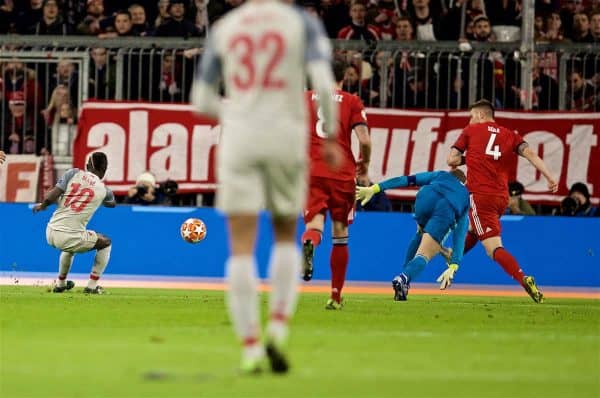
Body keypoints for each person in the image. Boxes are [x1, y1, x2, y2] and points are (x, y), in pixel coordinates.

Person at [190, 0, 339, 374]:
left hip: (240, 137)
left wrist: (239, 114)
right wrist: (332, 135)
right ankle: (277, 327)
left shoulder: (226, 27)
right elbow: (322, 81)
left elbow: (201, 100)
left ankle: (251, 348)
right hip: (285, 135)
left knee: (240, 246)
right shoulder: (301, 22)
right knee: (286, 233)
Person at [446, 99, 558, 303]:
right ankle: (454, 256)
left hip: (481, 195)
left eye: (471, 116)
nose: (470, 120)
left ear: (480, 115)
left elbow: (451, 160)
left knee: (493, 248)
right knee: (474, 228)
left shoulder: (471, 131)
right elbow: (531, 153)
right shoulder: (510, 135)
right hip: (501, 199)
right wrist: (549, 177)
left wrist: (470, 157)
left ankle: (523, 277)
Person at [301, 60, 371, 310]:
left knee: (314, 224)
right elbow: (364, 139)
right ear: (345, 77)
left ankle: (310, 242)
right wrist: (365, 164)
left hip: (311, 171)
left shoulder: (305, 98)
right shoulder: (352, 101)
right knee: (340, 235)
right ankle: (335, 295)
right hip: (341, 173)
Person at [356, 169, 470, 301]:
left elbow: (405, 180)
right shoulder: (464, 196)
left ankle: (405, 283)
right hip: (446, 209)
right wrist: (454, 264)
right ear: (464, 183)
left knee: (421, 233)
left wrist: (375, 188)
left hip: (425, 197)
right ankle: (403, 277)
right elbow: (460, 236)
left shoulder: (440, 175)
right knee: (424, 255)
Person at [33, 152, 115, 294]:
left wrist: (43, 205)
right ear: (104, 170)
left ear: (87, 165)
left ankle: (61, 284)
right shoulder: (104, 190)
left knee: (69, 249)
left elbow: (52, 195)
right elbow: (112, 204)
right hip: (70, 236)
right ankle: (91, 286)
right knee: (106, 242)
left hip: (50, 231)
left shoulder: (73, 173)